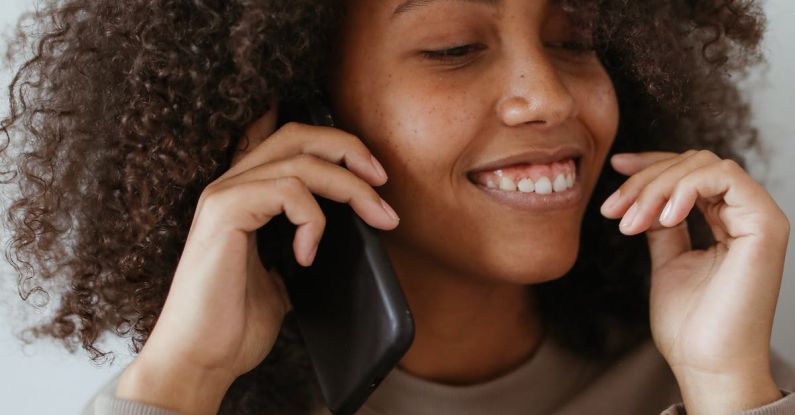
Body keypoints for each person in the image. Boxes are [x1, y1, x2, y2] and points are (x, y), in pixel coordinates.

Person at [2, 0, 794, 414]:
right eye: (452, 47)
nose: (547, 96)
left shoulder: (719, 376)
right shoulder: (192, 398)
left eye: (574, 38)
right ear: (303, 115)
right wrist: (183, 377)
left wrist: (725, 383)